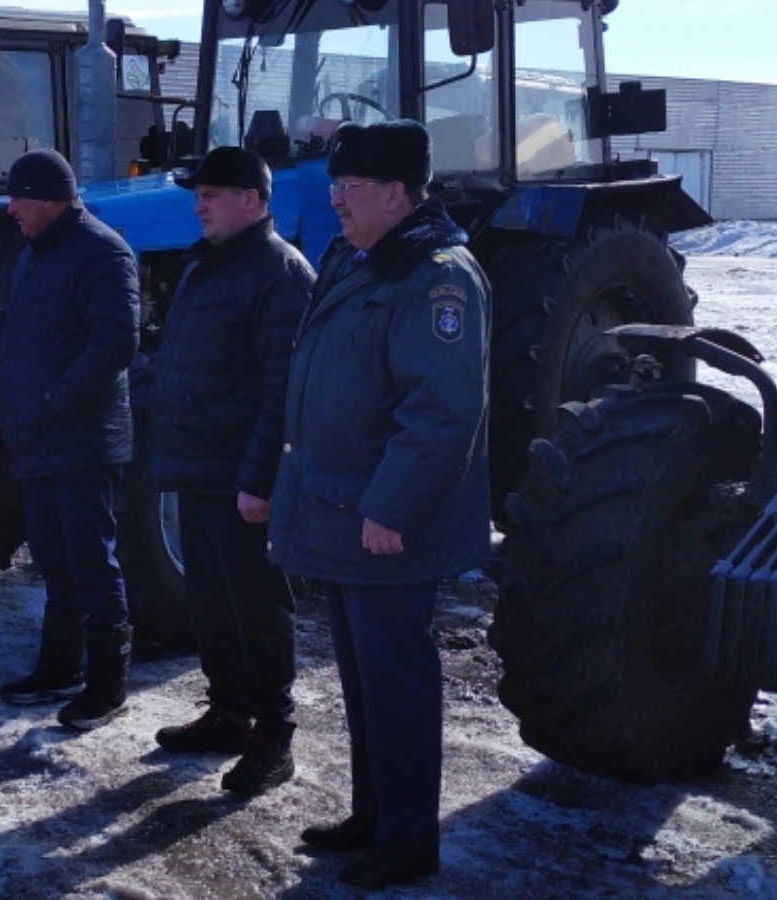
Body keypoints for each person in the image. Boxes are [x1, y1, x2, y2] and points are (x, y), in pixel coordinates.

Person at [268, 121, 491, 889]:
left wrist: (392, 509)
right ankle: (373, 815)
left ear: (397, 194)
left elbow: (440, 412)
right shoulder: (357, 257)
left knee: (396, 683)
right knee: (363, 681)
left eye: (351, 188)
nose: (335, 200)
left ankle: (407, 840)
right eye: (335, 185)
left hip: (387, 523)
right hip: (343, 510)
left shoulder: (436, 277)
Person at [149, 146, 312, 793]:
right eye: (198, 195)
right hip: (198, 468)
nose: (199, 206)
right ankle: (227, 713)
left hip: (241, 478)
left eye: (211, 195)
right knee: (212, 605)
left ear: (252, 199)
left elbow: (283, 390)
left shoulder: (280, 273)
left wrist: (259, 479)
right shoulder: (206, 266)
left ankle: (274, 735)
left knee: (257, 607)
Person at [0, 149, 139, 731]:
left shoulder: (102, 251)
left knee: (91, 560)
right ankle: (59, 667)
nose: (11, 209)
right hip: (38, 435)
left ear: (49, 199)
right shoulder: (37, 254)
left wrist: (57, 401)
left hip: (82, 436)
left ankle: (108, 685)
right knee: (53, 560)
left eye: (19, 198)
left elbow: (116, 342)